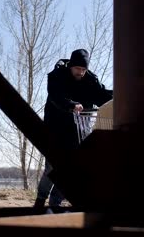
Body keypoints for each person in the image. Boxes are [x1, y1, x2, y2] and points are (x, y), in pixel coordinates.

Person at [34, 49, 113, 208]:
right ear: (71, 65)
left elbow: (101, 95)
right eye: (78, 69)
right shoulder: (57, 76)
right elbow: (56, 96)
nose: (81, 72)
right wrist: (71, 105)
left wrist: (119, 94)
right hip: (55, 127)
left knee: (71, 169)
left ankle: (55, 203)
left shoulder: (90, 80)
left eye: (84, 69)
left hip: (77, 129)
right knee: (52, 166)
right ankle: (40, 199)